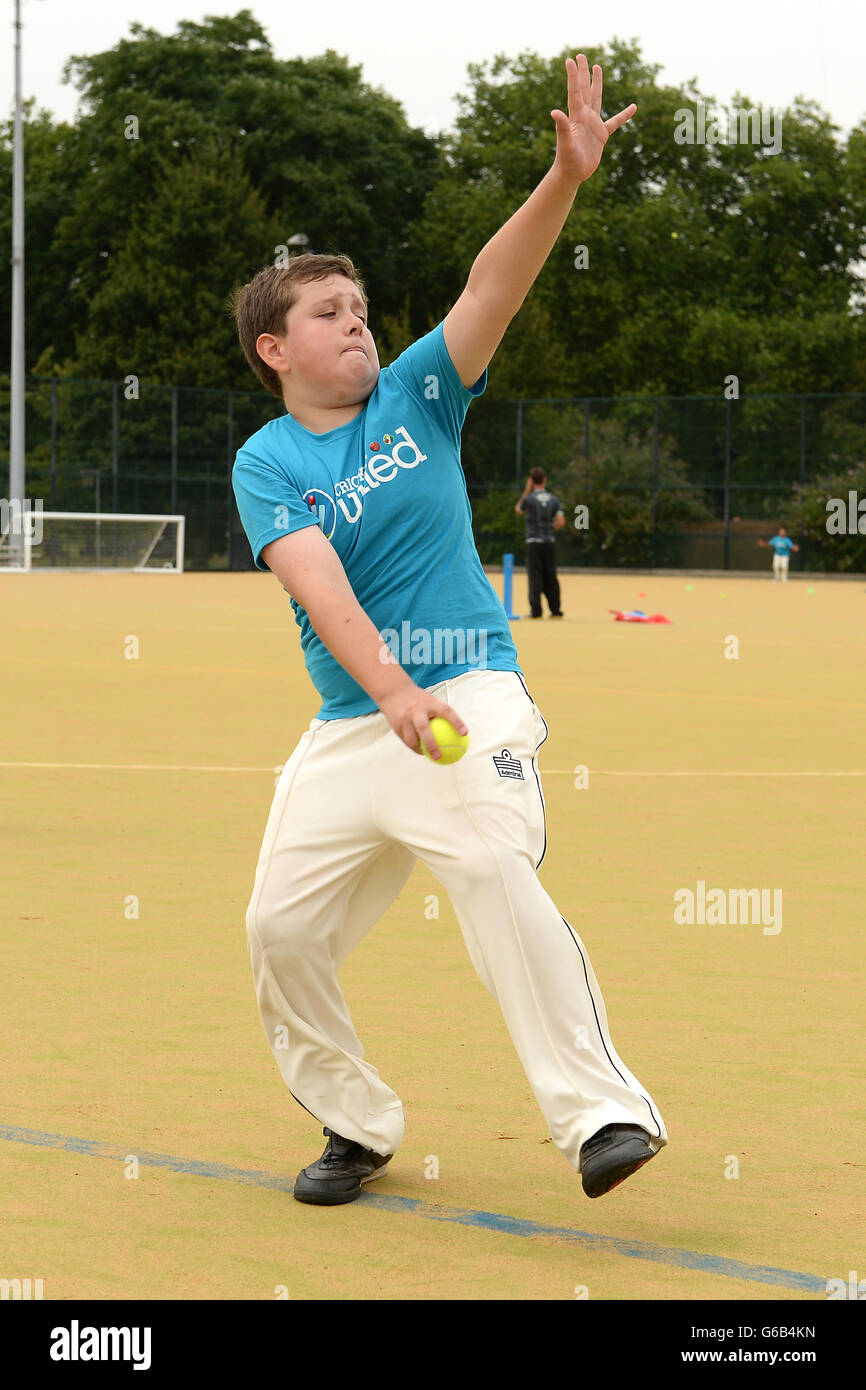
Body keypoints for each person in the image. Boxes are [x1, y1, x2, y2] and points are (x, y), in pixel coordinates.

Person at [229, 54, 667, 1208]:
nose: (357, 325)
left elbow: (492, 287)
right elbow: (320, 587)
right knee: (277, 930)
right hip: (353, 721)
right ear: (275, 350)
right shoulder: (269, 462)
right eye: (328, 314)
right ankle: (355, 1123)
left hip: (467, 694)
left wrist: (563, 179)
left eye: (361, 308)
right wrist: (382, 691)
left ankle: (602, 1113)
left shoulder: (419, 392)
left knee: (485, 861)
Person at [515, 468, 565, 617]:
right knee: (551, 574)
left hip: (533, 542)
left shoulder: (529, 499)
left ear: (531, 481)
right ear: (545, 480)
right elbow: (561, 522)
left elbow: (518, 509)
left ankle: (536, 610)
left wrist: (526, 490)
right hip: (549, 541)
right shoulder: (554, 499)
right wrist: (550, 528)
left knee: (535, 575)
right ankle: (555, 609)